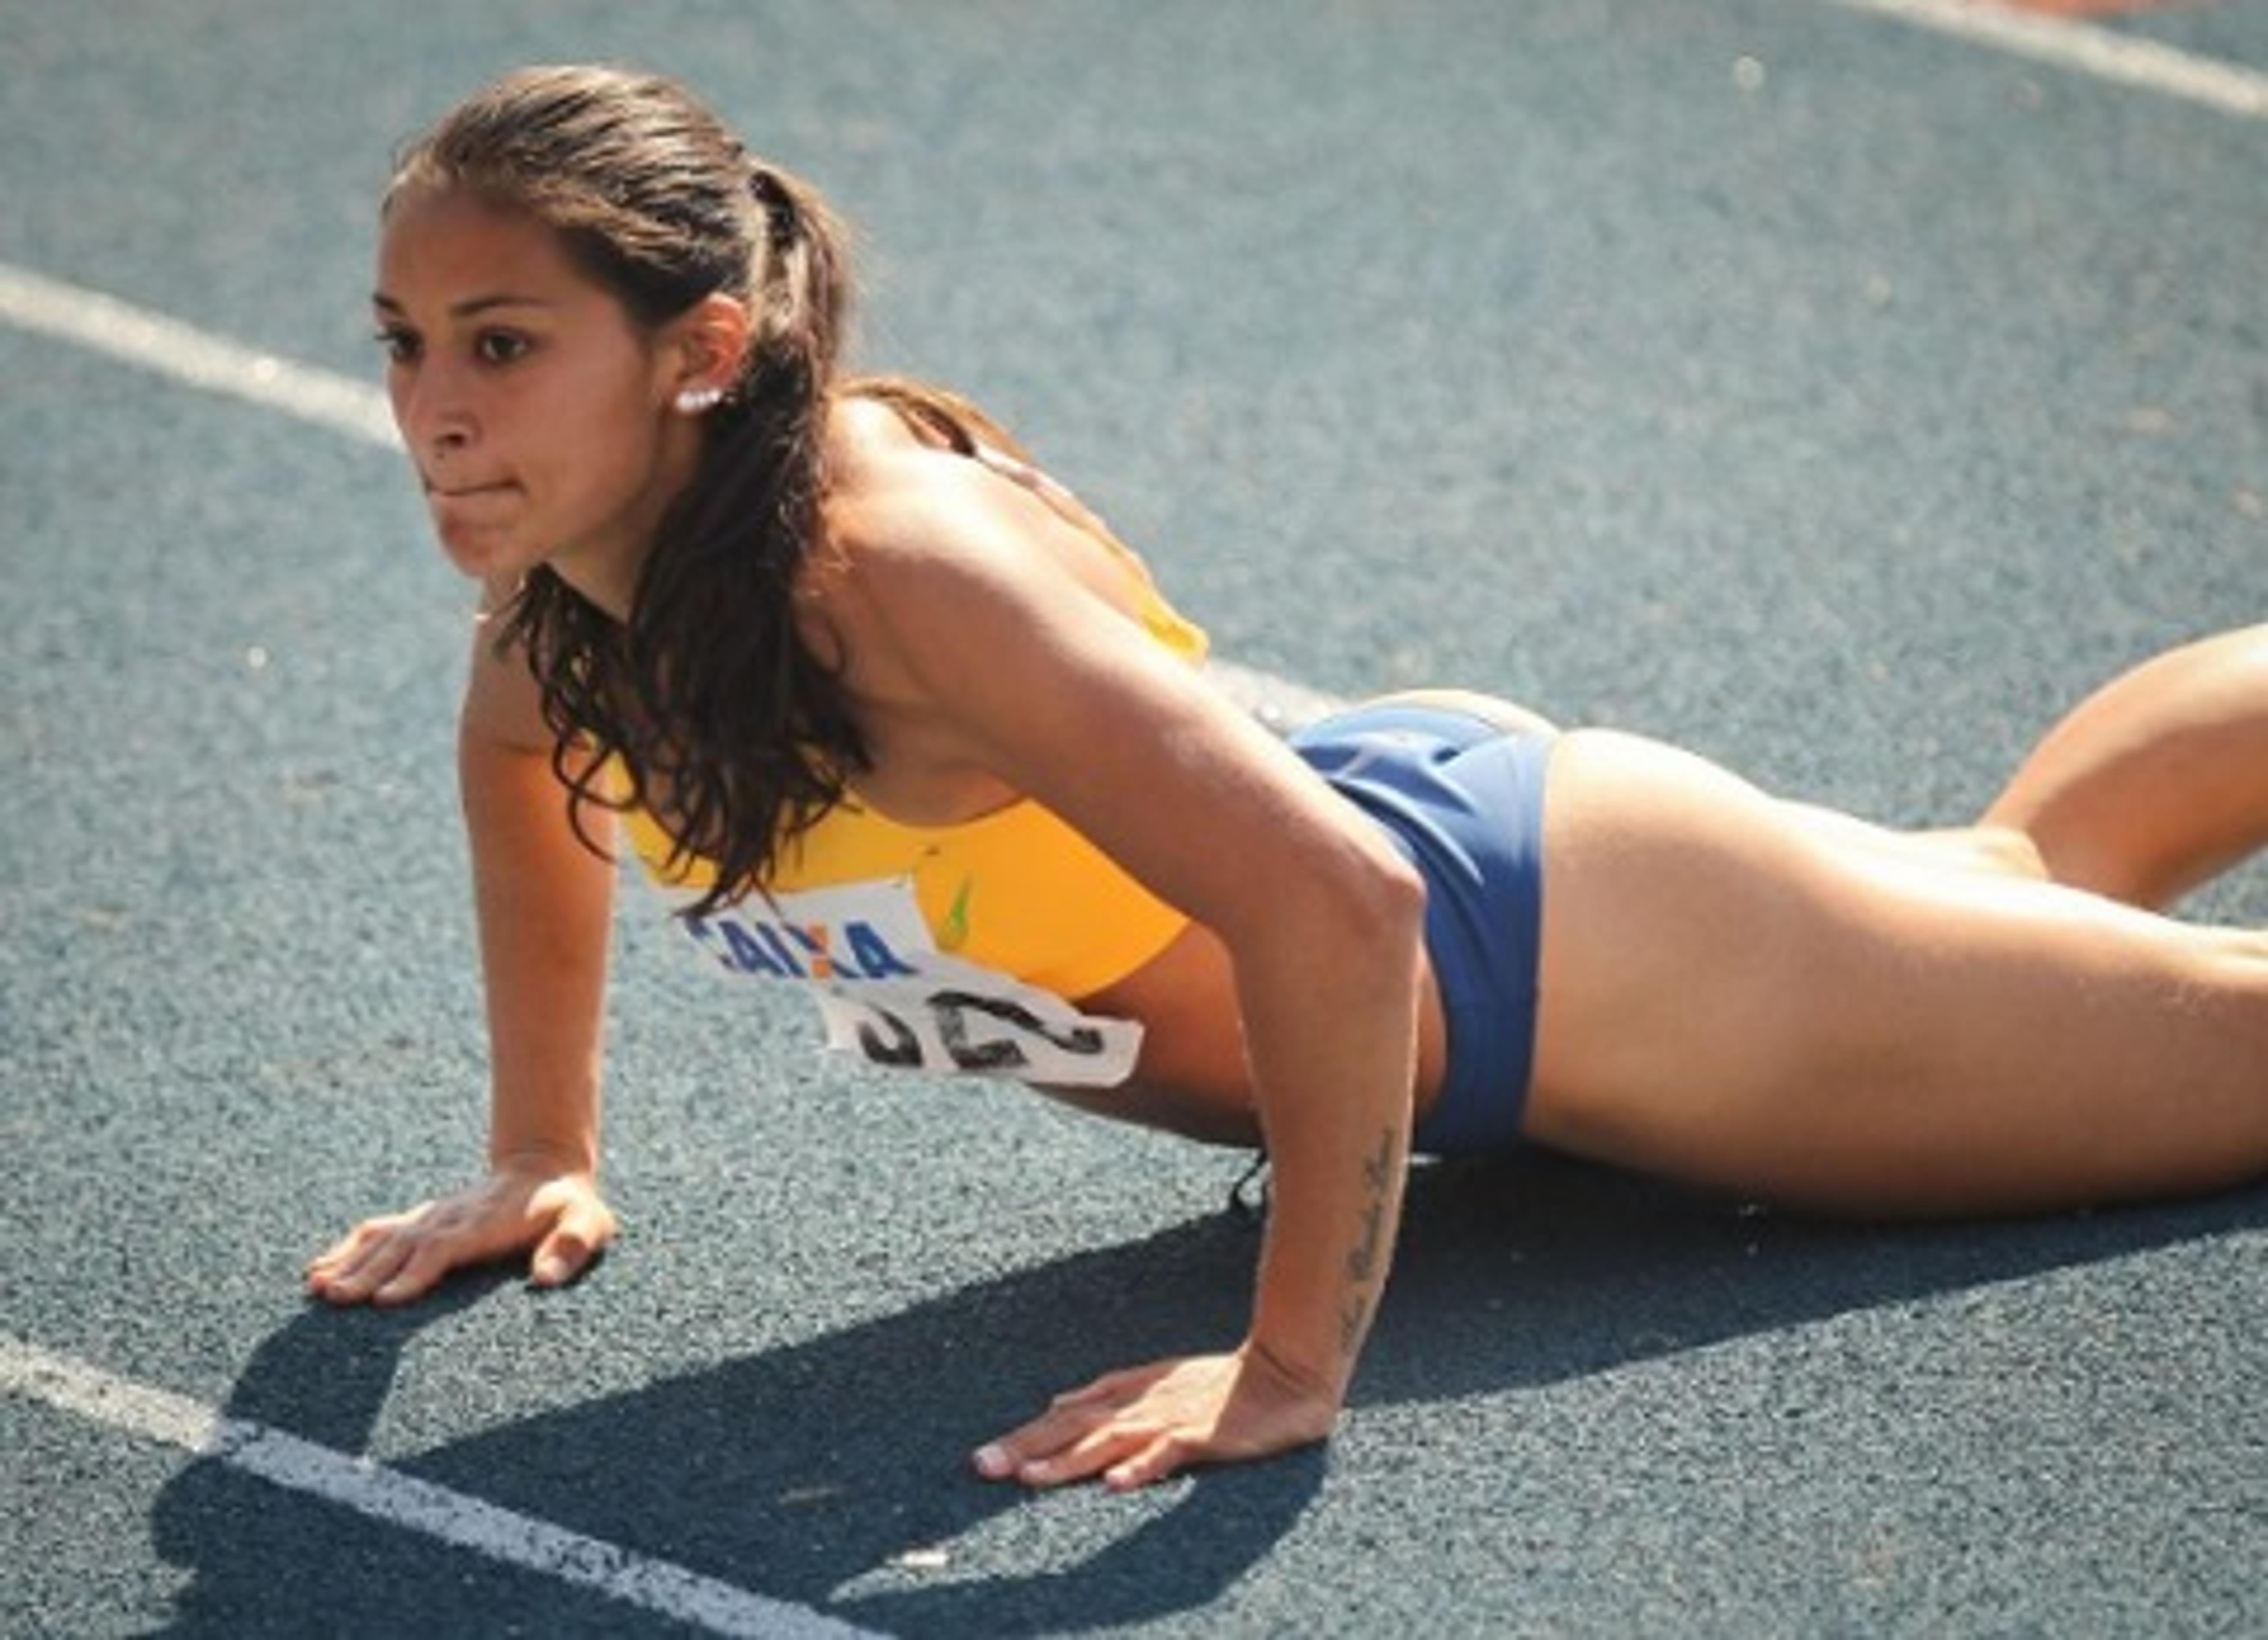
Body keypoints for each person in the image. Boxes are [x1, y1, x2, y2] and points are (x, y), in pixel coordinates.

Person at [307, 63, 2268, 1493]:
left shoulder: (887, 576)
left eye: (503, 341)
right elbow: (515, 772)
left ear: (698, 348)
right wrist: (541, 1150)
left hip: (1584, 962)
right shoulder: (571, 599)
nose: (434, 409)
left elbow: (1344, 903)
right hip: (1487, 888)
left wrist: (1288, 1363)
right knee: (2030, 869)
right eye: (404, 344)